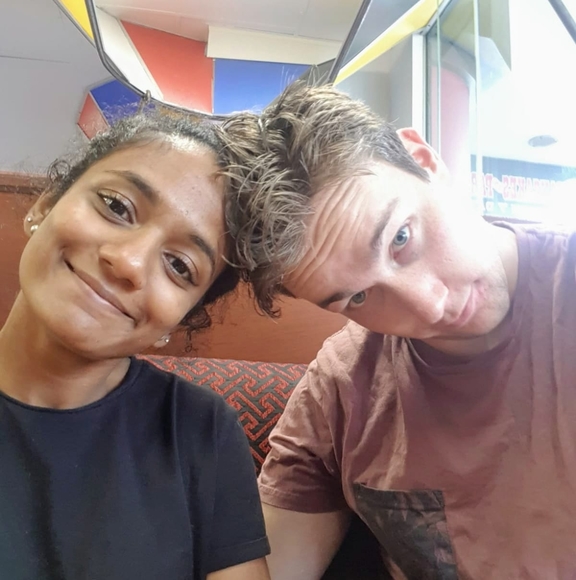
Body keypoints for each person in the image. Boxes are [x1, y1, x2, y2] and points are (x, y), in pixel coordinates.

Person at [220, 83, 576, 579]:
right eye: (357, 298)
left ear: (422, 159)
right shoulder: (340, 388)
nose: (428, 306)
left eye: (401, 238)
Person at [0, 113, 270, 580]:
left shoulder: (200, 430)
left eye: (180, 266)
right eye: (116, 206)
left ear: (177, 322)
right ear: (44, 206)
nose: (127, 262)